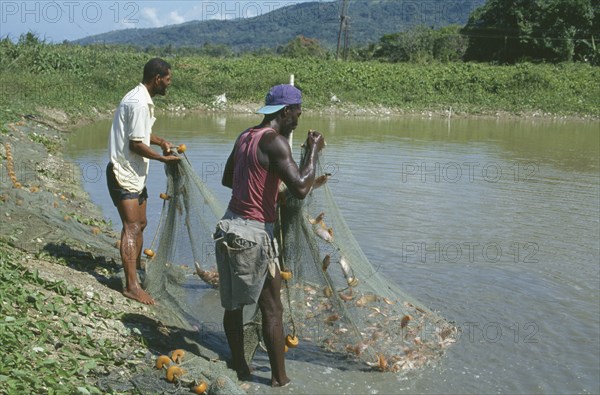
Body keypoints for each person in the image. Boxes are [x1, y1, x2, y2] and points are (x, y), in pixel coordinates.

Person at [215, 84, 325, 386]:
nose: (299, 118)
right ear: (286, 111)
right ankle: (279, 380)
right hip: (252, 234)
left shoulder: (246, 136)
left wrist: (265, 189)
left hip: (228, 226)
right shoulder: (276, 143)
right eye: (298, 111)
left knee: (233, 305)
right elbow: (301, 188)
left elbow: (228, 179)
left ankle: (240, 368)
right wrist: (314, 150)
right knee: (272, 309)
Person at [106, 58, 180, 305]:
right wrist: (162, 158)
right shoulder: (138, 103)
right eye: (168, 79)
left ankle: (135, 269)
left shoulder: (141, 99)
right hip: (123, 172)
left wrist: (160, 141)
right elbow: (135, 144)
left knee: (142, 222)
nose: (169, 84)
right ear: (157, 78)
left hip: (135, 173)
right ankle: (132, 286)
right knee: (132, 227)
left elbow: (141, 133)